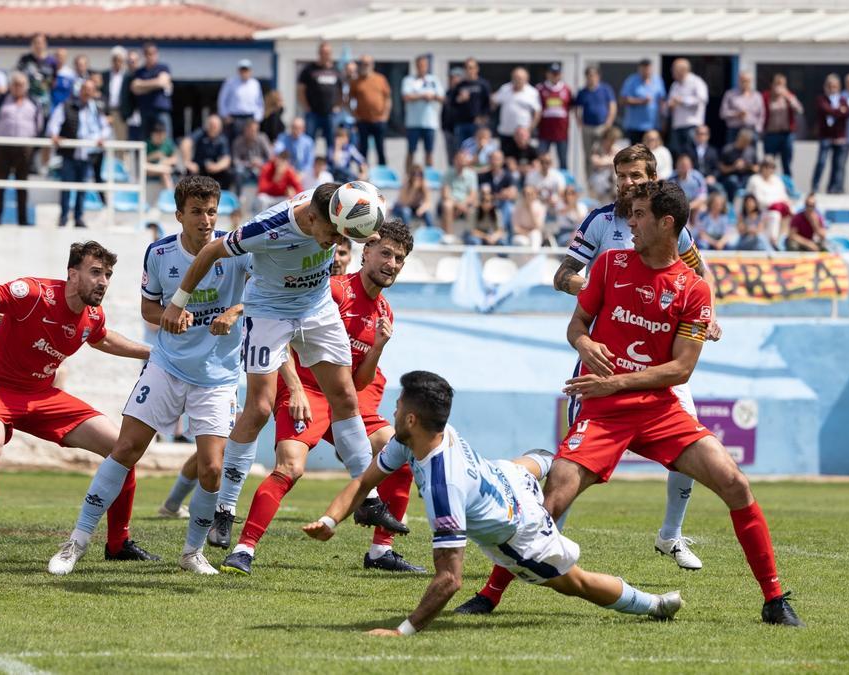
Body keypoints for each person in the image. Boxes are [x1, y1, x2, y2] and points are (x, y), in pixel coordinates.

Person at [480, 181, 803, 627]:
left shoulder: (693, 289)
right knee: (552, 498)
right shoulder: (611, 265)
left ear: (665, 223)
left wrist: (617, 383)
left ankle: (774, 600)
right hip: (605, 414)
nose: (629, 222)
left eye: (638, 215)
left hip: (659, 410)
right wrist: (585, 342)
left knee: (735, 484)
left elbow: (681, 369)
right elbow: (576, 324)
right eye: (629, 214)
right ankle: (489, 594)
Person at [462, 147, 716, 613]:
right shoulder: (601, 222)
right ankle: (541, 545)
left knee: (691, 456)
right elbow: (563, 274)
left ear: (653, 178)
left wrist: (707, 319)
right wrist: (603, 286)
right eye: (619, 175)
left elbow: (698, 277)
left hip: (662, 363)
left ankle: (671, 535)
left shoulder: (669, 224)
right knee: (569, 474)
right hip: (604, 361)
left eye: (634, 175)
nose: (624, 183)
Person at [303, 371, 684, 636]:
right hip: (508, 477)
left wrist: (403, 630)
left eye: (398, 406)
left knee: (576, 583)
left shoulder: (443, 486)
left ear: (413, 418)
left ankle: (654, 604)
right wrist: (330, 520)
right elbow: (364, 481)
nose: (393, 412)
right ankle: (562, 461)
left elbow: (449, 580)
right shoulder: (417, 436)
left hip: (519, 529)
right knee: (535, 459)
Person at [158, 184, 404, 550]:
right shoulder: (269, 228)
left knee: (346, 397)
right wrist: (178, 303)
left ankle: (367, 503)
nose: (335, 243)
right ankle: (225, 511)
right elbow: (212, 250)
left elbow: (362, 197)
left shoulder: (340, 205)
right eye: (331, 233)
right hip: (270, 311)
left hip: (316, 306)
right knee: (258, 408)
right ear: (309, 218)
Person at [47, 178, 249, 575]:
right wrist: (168, 318)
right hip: (167, 367)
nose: (206, 220)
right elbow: (149, 309)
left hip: (218, 375)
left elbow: (260, 295)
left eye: (212, 211)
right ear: (179, 215)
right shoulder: (159, 253)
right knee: (125, 449)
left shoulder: (237, 249)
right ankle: (77, 541)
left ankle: (192, 552)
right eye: (197, 211)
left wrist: (233, 312)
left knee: (210, 469)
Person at [221, 221, 423, 575]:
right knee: (291, 468)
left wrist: (378, 347)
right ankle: (243, 549)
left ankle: (380, 552)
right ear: (367, 252)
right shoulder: (332, 291)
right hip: (307, 393)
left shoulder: (385, 313)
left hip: (346, 402)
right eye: (386, 253)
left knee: (401, 455)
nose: (391, 263)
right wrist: (295, 387)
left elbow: (358, 382)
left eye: (400, 259)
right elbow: (278, 331)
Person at [0, 242, 154, 572]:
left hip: (43, 396)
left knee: (123, 448)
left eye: (108, 275)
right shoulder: (32, 293)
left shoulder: (92, 315)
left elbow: (103, 339)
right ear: (72, 274)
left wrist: (150, 353)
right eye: (95, 273)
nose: (103, 281)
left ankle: (118, 543)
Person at [49, 79, 111, 228]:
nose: (87, 92)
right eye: (85, 88)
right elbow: (54, 123)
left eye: (90, 89)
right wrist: (55, 135)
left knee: (82, 188)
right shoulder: (67, 105)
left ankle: (78, 218)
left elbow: (105, 127)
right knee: (66, 187)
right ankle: (63, 217)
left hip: (88, 155)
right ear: (80, 90)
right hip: (70, 154)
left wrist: (102, 137)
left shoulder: (96, 109)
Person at [0, 72, 44, 226]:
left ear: (26, 86)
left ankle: (23, 220)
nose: (18, 87)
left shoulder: (34, 103)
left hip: (24, 149)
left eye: (21, 84)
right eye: (15, 84)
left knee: (22, 186)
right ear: (10, 85)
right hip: (3, 147)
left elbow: (39, 126)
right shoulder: (0, 101)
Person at [401, 55, 444, 168]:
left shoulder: (434, 80)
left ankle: (429, 177)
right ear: (416, 66)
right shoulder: (409, 80)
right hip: (413, 123)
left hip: (429, 123)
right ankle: (408, 177)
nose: (422, 68)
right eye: (420, 65)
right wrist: (422, 96)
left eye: (424, 65)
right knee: (411, 151)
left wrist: (433, 96)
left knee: (429, 152)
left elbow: (442, 98)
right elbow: (406, 97)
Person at [296, 42, 341, 150]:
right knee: (309, 141)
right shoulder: (309, 70)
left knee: (331, 142)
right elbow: (300, 90)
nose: (325, 55)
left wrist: (338, 105)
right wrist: (306, 106)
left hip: (330, 114)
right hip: (313, 113)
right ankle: (308, 164)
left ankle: (331, 165)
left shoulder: (336, 71)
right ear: (319, 53)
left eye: (327, 53)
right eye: (323, 53)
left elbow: (341, 91)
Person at [349, 55, 391, 166]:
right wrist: (354, 114)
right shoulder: (356, 81)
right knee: (363, 150)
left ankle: (383, 174)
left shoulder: (380, 79)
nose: (365, 66)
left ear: (372, 65)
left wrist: (385, 115)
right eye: (362, 64)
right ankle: (363, 177)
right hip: (363, 121)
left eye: (367, 64)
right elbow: (348, 99)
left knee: (380, 149)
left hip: (379, 120)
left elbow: (388, 98)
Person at [574, 66, 616, 179]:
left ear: (598, 76)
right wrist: (579, 122)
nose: (591, 78)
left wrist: (609, 121)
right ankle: (589, 180)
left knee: (602, 153)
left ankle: (604, 179)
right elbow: (576, 108)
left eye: (593, 75)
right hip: (587, 127)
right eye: (589, 76)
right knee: (588, 156)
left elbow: (612, 106)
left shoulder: (605, 89)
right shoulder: (582, 92)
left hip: (602, 127)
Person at [812, 74, 849, 194]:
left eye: (834, 86)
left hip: (839, 138)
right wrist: (838, 111)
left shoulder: (842, 99)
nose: (832, 89)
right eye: (830, 86)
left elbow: (847, 113)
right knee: (821, 162)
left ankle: (833, 188)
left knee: (837, 165)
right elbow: (825, 110)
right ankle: (815, 186)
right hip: (825, 136)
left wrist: (835, 112)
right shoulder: (821, 99)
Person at [491, 68, 540, 159]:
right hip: (506, 132)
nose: (517, 80)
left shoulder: (532, 92)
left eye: (520, 78)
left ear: (526, 79)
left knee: (523, 159)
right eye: (515, 77)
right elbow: (494, 101)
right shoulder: (505, 89)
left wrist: (530, 129)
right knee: (506, 160)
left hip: (522, 136)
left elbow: (537, 112)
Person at [762, 74, 804, 178]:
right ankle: (768, 183)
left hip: (786, 134)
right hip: (771, 134)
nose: (779, 87)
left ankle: (788, 186)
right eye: (777, 84)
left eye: (782, 85)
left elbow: (799, 110)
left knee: (787, 163)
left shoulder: (789, 96)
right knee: (769, 162)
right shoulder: (766, 97)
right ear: (772, 85)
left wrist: (788, 98)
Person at [666, 58, 708, 158]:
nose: (672, 72)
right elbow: (671, 102)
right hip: (677, 125)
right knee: (677, 153)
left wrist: (682, 100)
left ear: (683, 70)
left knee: (691, 153)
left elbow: (702, 99)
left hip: (692, 125)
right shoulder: (675, 85)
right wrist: (670, 105)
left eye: (674, 69)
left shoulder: (696, 82)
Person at [447, 59, 492, 151]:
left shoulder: (483, 84)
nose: (469, 70)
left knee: (478, 149)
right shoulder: (460, 85)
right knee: (462, 150)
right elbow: (451, 103)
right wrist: (459, 99)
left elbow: (488, 103)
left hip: (477, 124)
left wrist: (483, 117)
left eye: (471, 68)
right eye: (467, 68)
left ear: (476, 69)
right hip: (461, 123)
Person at [132, 42, 173, 140]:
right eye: (149, 53)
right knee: (145, 141)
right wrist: (155, 84)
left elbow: (162, 82)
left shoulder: (163, 68)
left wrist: (143, 85)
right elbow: (135, 88)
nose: (152, 56)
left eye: (154, 53)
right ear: (145, 55)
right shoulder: (140, 72)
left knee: (165, 140)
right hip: (145, 111)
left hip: (161, 111)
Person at [619, 59, 665, 145]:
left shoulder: (657, 80)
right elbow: (623, 100)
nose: (646, 72)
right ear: (639, 69)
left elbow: (661, 100)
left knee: (652, 153)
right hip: (635, 127)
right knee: (636, 153)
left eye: (648, 69)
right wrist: (641, 101)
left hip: (653, 126)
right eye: (644, 69)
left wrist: (663, 119)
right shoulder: (631, 81)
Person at [746, 157, 793, 242]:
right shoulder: (754, 180)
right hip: (760, 211)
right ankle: (773, 242)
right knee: (775, 215)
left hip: (779, 209)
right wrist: (774, 203)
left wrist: (785, 205)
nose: (769, 169)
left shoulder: (777, 180)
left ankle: (782, 242)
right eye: (766, 166)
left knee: (791, 214)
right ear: (762, 167)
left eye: (772, 167)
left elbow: (784, 196)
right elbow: (757, 199)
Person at [536, 63, 572, 169]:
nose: (555, 76)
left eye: (557, 74)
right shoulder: (540, 89)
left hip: (561, 132)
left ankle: (565, 183)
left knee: (563, 159)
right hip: (544, 131)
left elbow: (571, 107)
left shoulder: (566, 89)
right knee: (541, 159)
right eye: (553, 73)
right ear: (547, 74)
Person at [183, 114, 233, 190]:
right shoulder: (201, 133)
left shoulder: (222, 139)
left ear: (220, 128)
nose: (212, 128)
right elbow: (186, 143)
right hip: (198, 167)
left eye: (215, 126)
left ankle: (223, 197)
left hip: (214, 168)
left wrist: (216, 167)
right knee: (189, 173)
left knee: (228, 174)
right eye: (211, 125)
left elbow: (226, 159)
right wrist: (188, 162)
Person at [218, 59, 264, 141]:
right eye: (242, 69)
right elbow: (222, 100)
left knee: (251, 142)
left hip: (250, 118)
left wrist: (257, 119)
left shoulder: (255, 84)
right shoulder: (230, 83)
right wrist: (225, 115)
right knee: (235, 141)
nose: (244, 72)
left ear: (250, 71)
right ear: (238, 71)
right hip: (235, 118)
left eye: (246, 69)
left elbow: (260, 103)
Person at [440, 150, 479, 237]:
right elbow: (445, 194)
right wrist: (458, 205)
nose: (462, 161)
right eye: (460, 159)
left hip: (465, 202)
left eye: (463, 159)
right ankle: (448, 235)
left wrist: (463, 204)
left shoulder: (471, 174)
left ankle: (471, 235)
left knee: (474, 207)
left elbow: (473, 195)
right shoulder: (448, 173)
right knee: (447, 205)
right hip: (453, 202)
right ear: (455, 160)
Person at [720, 71, 764, 145]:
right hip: (734, 130)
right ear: (739, 81)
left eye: (747, 81)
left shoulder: (757, 96)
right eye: (743, 80)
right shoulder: (730, 94)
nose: (745, 83)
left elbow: (762, 115)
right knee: (732, 153)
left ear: (751, 81)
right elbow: (722, 113)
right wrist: (736, 114)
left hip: (751, 130)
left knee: (750, 154)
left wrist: (758, 129)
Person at [17, 34, 57, 116]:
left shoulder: (52, 61)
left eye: (41, 43)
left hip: (45, 101)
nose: (38, 45)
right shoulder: (25, 59)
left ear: (45, 44)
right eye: (36, 42)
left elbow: (54, 81)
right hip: (27, 99)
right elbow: (18, 77)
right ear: (32, 44)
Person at [232, 118, 274, 195]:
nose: (253, 133)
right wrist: (248, 164)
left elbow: (270, 157)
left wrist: (260, 162)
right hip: (245, 170)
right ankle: (239, 198)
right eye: (251, 130)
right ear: (245, 130)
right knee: (238, 171)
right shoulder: (238, 141)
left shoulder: (262, 138)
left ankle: (264, 196)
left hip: (260, 168)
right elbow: (235, 160)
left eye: (255, 130)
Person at [102, 46, 135, 142]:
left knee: (121, 139)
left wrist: (128, 112)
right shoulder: (105, 75)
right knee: (106, 138)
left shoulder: (128, 76)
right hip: (107, 112)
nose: (117, 63)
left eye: (120, 60)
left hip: (121, 113)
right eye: (115, 60)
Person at [719, 128, 759, 201]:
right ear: (739, 138)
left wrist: (747, 166)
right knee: (733, 180)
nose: (746, 144)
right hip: (731, 176)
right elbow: (722, 169)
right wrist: (734, 167)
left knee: (753, 180)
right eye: (744, 141)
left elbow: (757, 168)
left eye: (748, 142)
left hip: (746, 176)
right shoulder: (728, 150)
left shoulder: (751, 151)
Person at [586, 127, 625, 200]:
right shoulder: (598, 147)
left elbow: (619, 162)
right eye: (611, 140)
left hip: (613, 179)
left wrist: (604, 161)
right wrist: (610, 161)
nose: (612, 142)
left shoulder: (617, 148)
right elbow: (595, 162)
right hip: (599, 178)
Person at [392, 164, 435, 230]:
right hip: (400, 207)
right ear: (411, 175)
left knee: (427, 213)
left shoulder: (424, 184)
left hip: (414, 208)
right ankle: (407, 233)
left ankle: (431, 233)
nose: (417, 176)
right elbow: (404, 203)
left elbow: (428, 202)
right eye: (414, 174)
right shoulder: (406, 183)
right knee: (406, 211)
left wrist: (422, 209)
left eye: (420, 174)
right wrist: (413, 190)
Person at [510, 184, 547, 249]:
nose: (528, 196)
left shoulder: (540, 207)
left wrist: (530, 208)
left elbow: (538, 227)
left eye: (530, 194)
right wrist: (527, 233)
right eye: (526, 194)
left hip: (534, 233)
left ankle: (535, 258)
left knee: (535, 235)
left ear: (535, 195)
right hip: (522, 235)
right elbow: (515, 228)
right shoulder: (517, 207)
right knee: (522, 242)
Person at [145, 122, 178, 190]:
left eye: (162, 135)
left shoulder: (168, 143)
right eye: (157, 135)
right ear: (152, 135)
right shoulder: (146, 144)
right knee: (164, 170)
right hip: (150, 171)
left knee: (165, 172)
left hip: (164, 170)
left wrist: (166, 161)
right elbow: (141, 162)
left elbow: (175, 159)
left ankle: (170, 194)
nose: (160, 137)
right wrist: (152, 156)